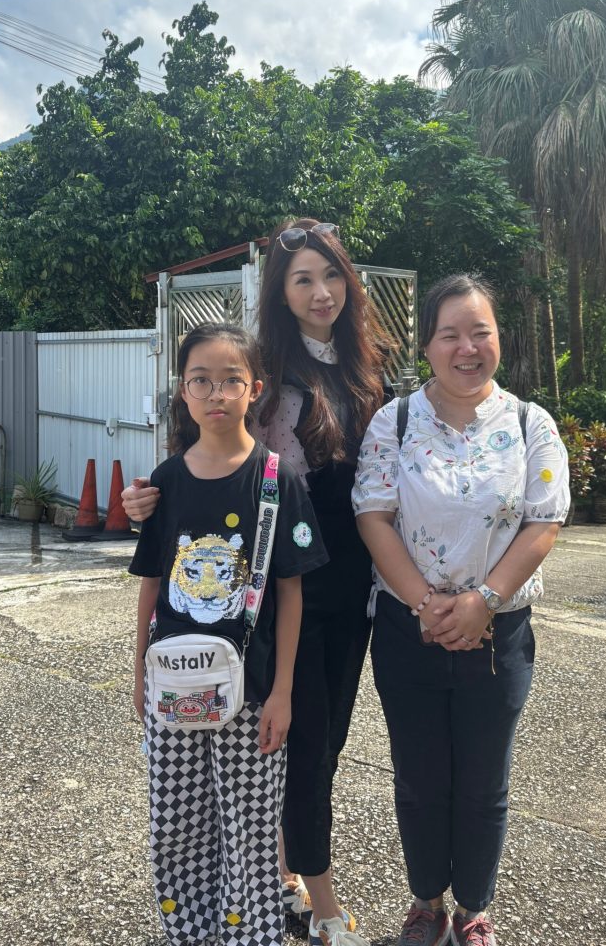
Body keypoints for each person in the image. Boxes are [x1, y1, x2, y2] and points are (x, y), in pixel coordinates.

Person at [124, 218, 389, 946]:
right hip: (281, 595)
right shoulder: (263, 368)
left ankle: (281, 875)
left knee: (326, 742)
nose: (320, 291)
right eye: (303, 279)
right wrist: (148, 497)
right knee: (301, 746)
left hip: (353, 583)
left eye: (331, 275)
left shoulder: (364, 367)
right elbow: (206, 455)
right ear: (280, 291)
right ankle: (321, 904)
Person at [352, 274, 569, 946]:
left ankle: (473, 909)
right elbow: (373, 516)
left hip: (499, 635)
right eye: (450, 334)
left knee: (483, 783)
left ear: (499, 339)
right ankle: (426, 904)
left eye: (481, 333)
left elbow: (544, 522)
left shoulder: (531, 424)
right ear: (427, 345)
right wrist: (426, 604)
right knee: (419, 779)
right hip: (406, 630)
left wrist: (483, 602)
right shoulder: (394, 422)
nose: (466, 348)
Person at [130, 322, 328, 946]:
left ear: (254, 390)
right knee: (176, 822)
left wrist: (283, 693)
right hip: (173, 686)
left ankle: (250, 935)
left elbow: (292, 594)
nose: (215, 393)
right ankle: (188, 932)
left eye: (230, 380)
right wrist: (137, 673)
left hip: (253, 690)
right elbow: (153, 583)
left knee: (250, 827)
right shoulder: (166, 480)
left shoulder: (276, 479)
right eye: (200, 381)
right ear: (182, 391)